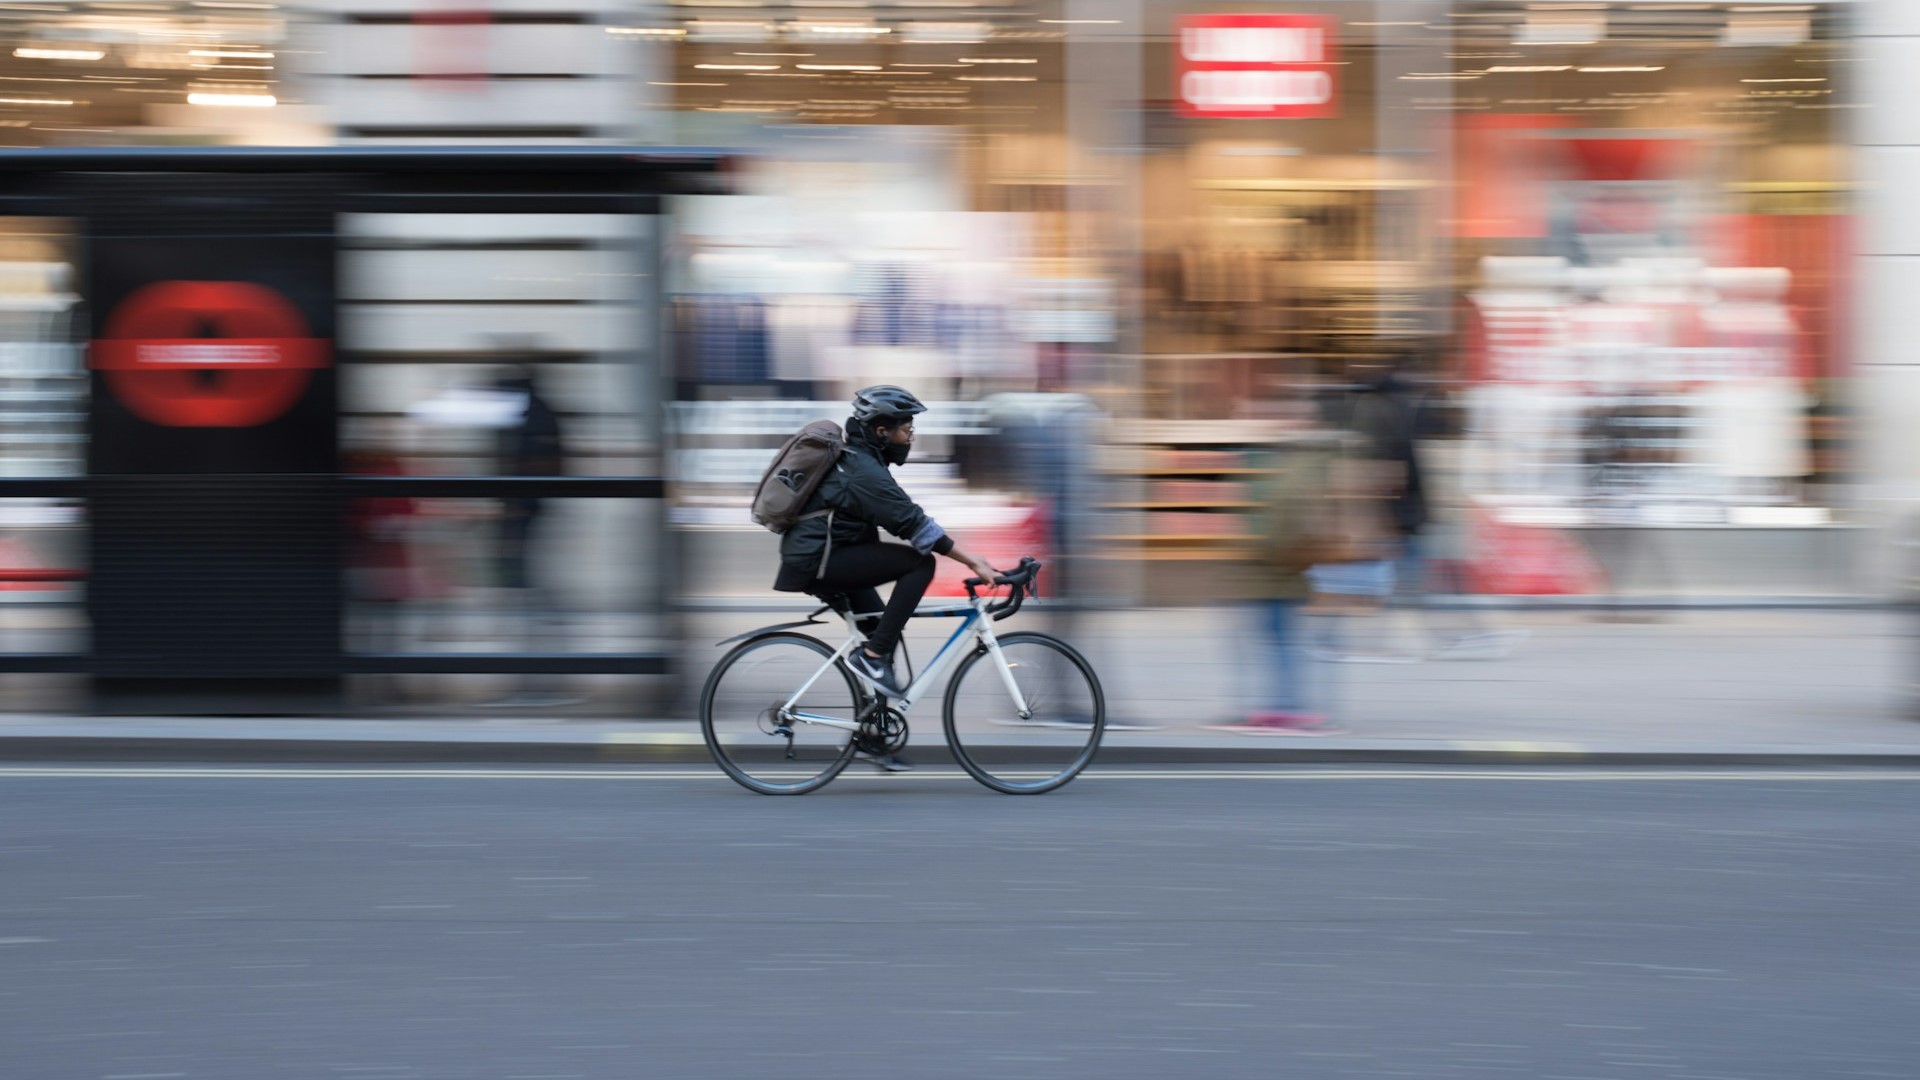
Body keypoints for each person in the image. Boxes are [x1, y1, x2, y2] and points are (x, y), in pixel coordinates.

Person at [773, 386, 1002, 764]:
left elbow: (904, 518)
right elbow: (915, 525)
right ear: (882, 431)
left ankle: (873, 737)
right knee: (919, 563)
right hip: (819, 561)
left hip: (825, 558)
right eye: (906, 428)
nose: (911, 435)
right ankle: (873, 656)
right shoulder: (862, 470)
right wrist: (973, 562)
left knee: (883, 631)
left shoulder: (863, 462)